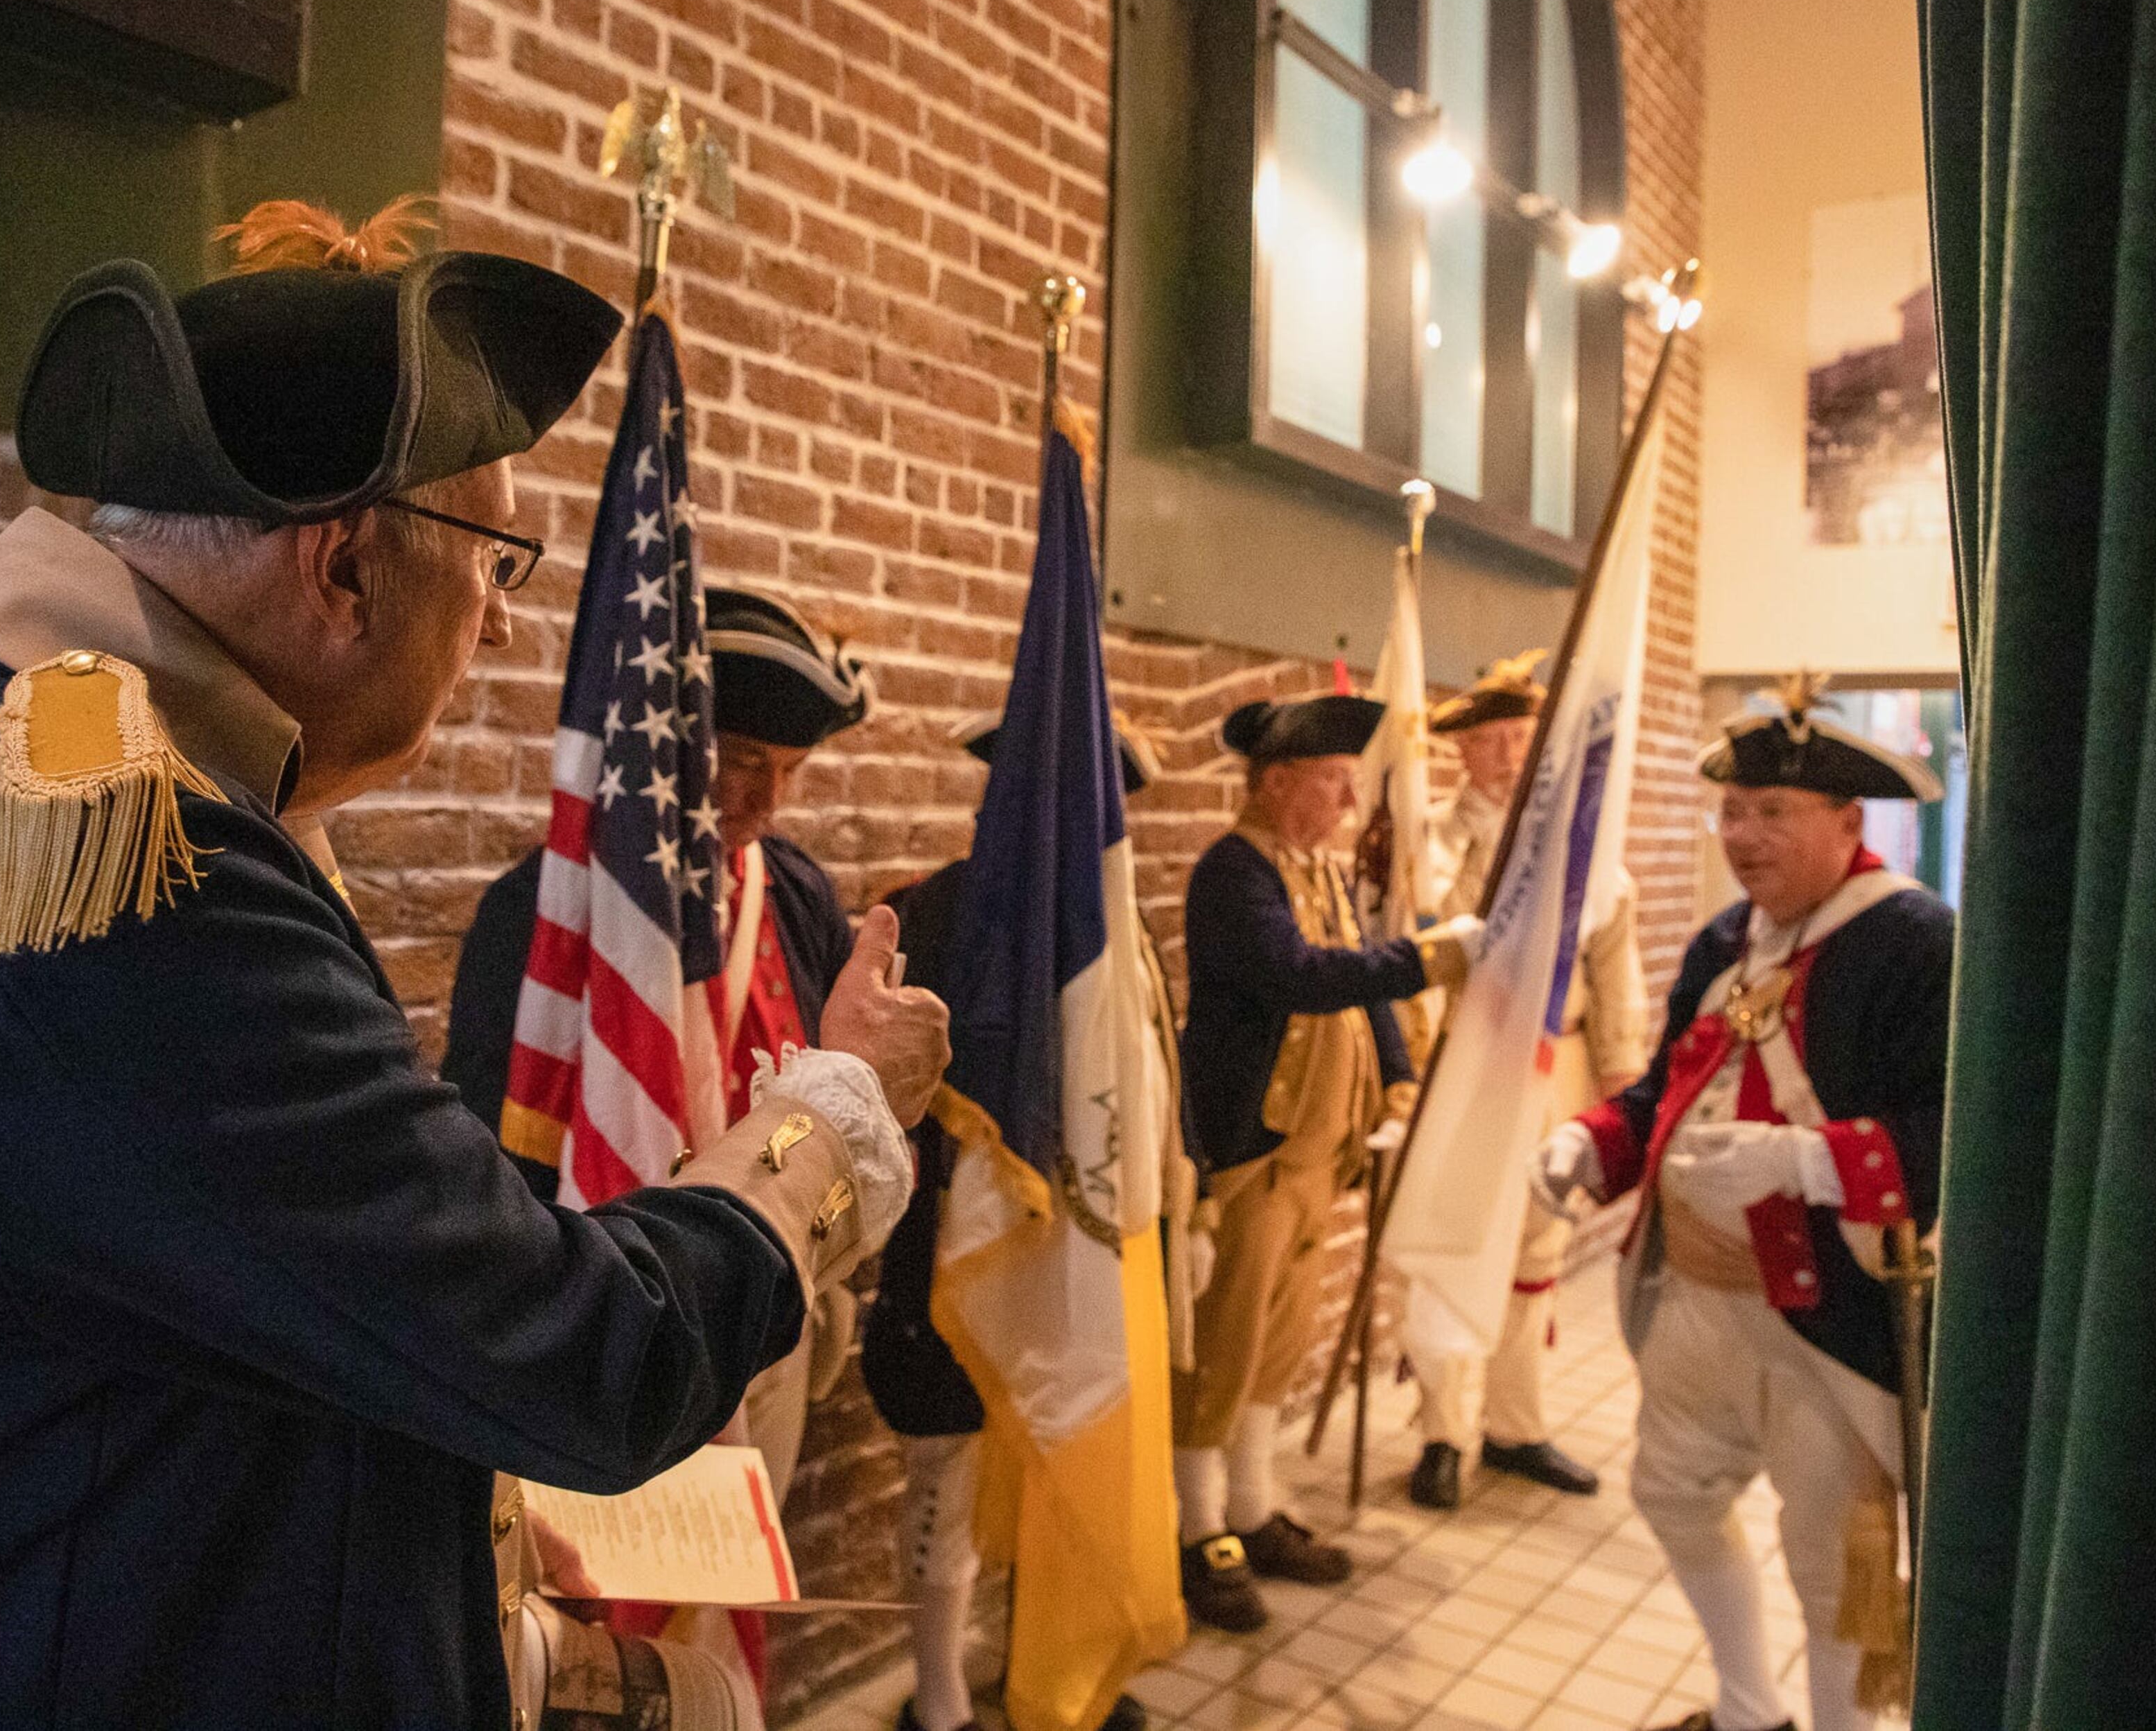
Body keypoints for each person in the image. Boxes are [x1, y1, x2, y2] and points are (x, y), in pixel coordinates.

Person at [0, 208, 946, 1728]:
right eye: (494, 557)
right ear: (345, 565)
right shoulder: (133, 868)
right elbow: (598, 1359)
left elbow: (211, 1313)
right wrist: (838, 1114)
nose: (497, 612)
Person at [1532, 678, 1949, 1731]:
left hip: (1825, 1322)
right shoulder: (1727, 939)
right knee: (1670, 1494)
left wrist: (1801, 1163)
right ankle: (1747, 1709)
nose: (1743, 835)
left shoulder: (1915, 942)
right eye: (1733, 810)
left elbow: (1953, 1131)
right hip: (1697, 1294)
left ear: (1849, 823)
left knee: (1838, 1585)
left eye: (1774, 812)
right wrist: (1595, 1137)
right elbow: (1669, 1083)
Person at [446, 584, 875, 1488]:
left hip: (769, 1284)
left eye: (792, 769)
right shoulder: (547, 905)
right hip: (610, 1306)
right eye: (746, 760)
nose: (768, 799)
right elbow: (494, 1131)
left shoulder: (797, 890)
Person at [858, 711, 1174, 1731]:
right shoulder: (928, 918)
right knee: (948, 1477)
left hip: (1087, 1245)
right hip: (950, 1247)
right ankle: (940, 1695)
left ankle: (1046, 1661)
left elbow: (1153, 1078)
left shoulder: (1117, 928)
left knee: (1067, 1454)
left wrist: (1188, 1208)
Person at [1172, 694, 1477, 1634]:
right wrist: (1427, 958)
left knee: (1279, 1342)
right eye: (1334, 779)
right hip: (1252, 1159)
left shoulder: (1321, 866)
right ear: (1274, 783)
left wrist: (1394, 1075)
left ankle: (1255, 1503)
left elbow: (1357, 979)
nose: (1351, 798)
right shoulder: (1233, 870)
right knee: (1223, 1347)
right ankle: (1198, 1525)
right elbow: (1298, 973)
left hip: (1319, 1159)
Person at [1398, 651, 1652, 1509]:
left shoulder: (1582, 842)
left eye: (1521, 738)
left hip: (1558, 1059)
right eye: (1492, 741)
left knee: (1538, 1246)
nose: (1509, 755)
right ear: (1460, 751)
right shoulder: (1430, 842)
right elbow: (1412, 946)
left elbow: (1614, 955)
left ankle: (1516, 1424)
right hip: (1469, 1064)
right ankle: (1444, 1432)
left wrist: (1624, 1076)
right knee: (1455, 1240)